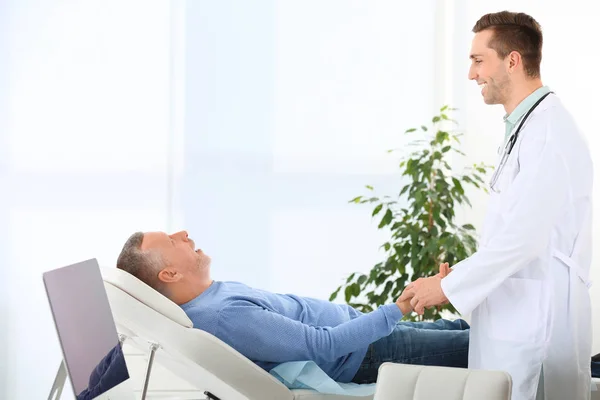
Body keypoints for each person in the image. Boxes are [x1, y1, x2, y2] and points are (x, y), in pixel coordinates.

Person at [399, 11, 594, 400]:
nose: (471, 75)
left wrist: (447, 286)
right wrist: (462, 275)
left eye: (477, 60)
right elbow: (515, 233)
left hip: (537, 331)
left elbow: (523, 240)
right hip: (516, 322)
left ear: (512, 60)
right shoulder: (526, 128)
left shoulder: (548, 133)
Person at [115, 230, 470, 385]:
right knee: (479, 346)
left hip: (370, 338)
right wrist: (400, 307)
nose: (184, 233)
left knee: (473, 333)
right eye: (172, 240)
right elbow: (324, 346)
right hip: (368, 352)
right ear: (170, 273)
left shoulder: (209, 300)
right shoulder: (225, 317)